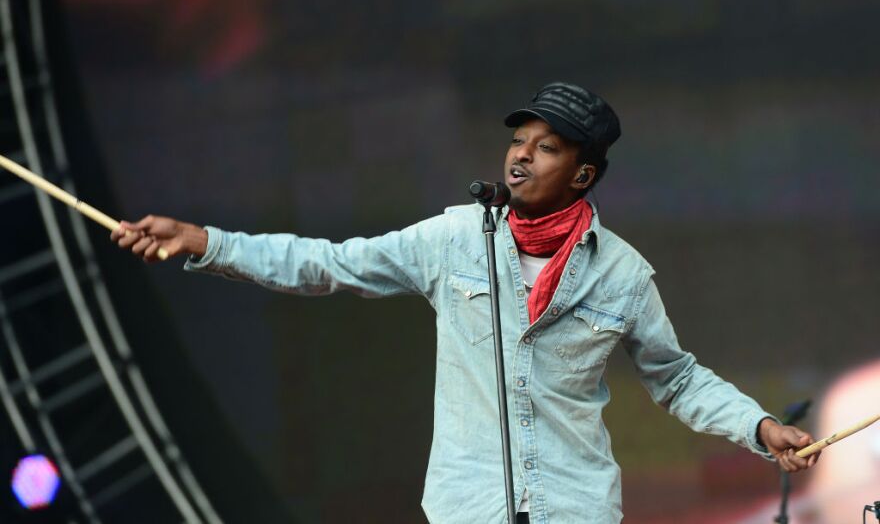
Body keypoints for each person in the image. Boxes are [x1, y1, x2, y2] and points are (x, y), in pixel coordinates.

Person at [112, 82, 820, 523]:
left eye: (546, 148)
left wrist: (760, 427)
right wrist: (204, 239)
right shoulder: (454, 236)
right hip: (467, 507)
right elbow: (324, 264)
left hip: (574, 507)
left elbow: (677, 376)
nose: (520, 155)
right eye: (518, 140)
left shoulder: (622, 273)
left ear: (583, 173)